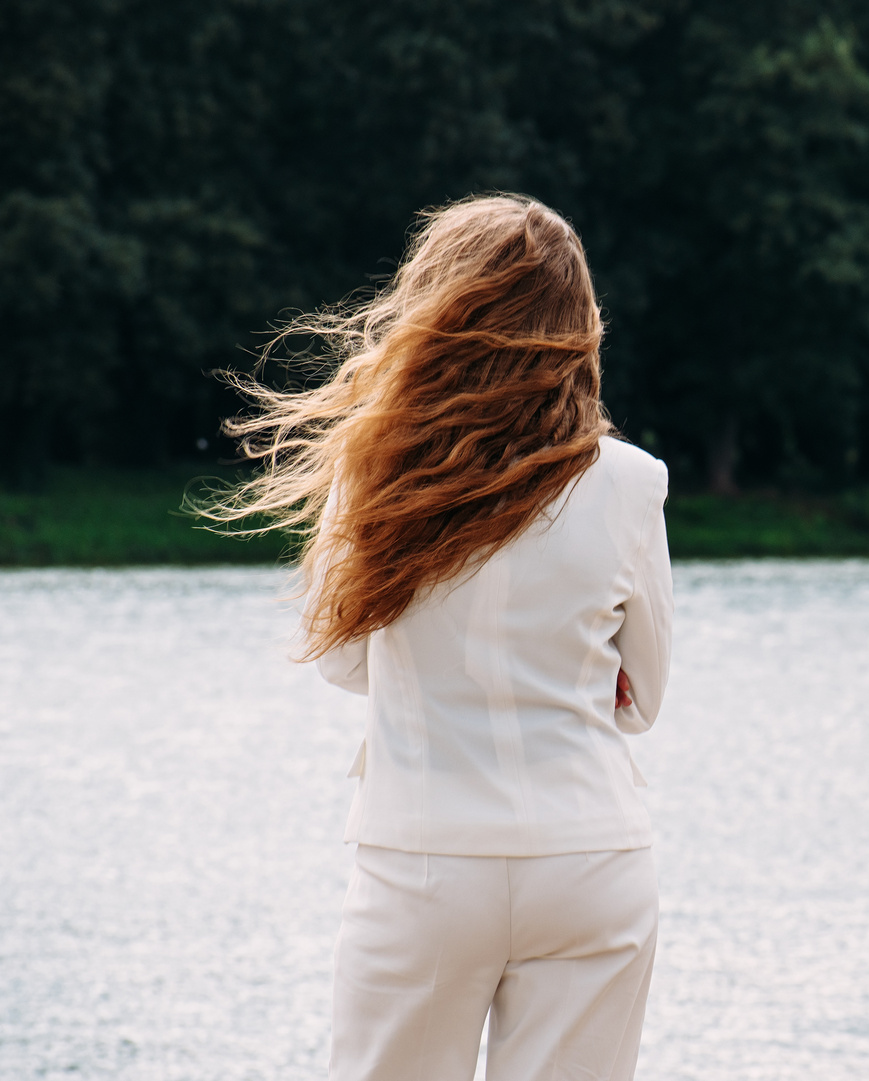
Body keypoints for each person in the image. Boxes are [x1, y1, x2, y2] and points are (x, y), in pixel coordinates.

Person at [197, 193, 673, 1080]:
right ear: (577, 322)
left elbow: (342, 659)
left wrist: (437, 668)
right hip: (590, 857)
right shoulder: (634, 481)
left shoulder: (372, 467)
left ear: (437, 307)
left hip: (422, 860)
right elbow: (643, 696)